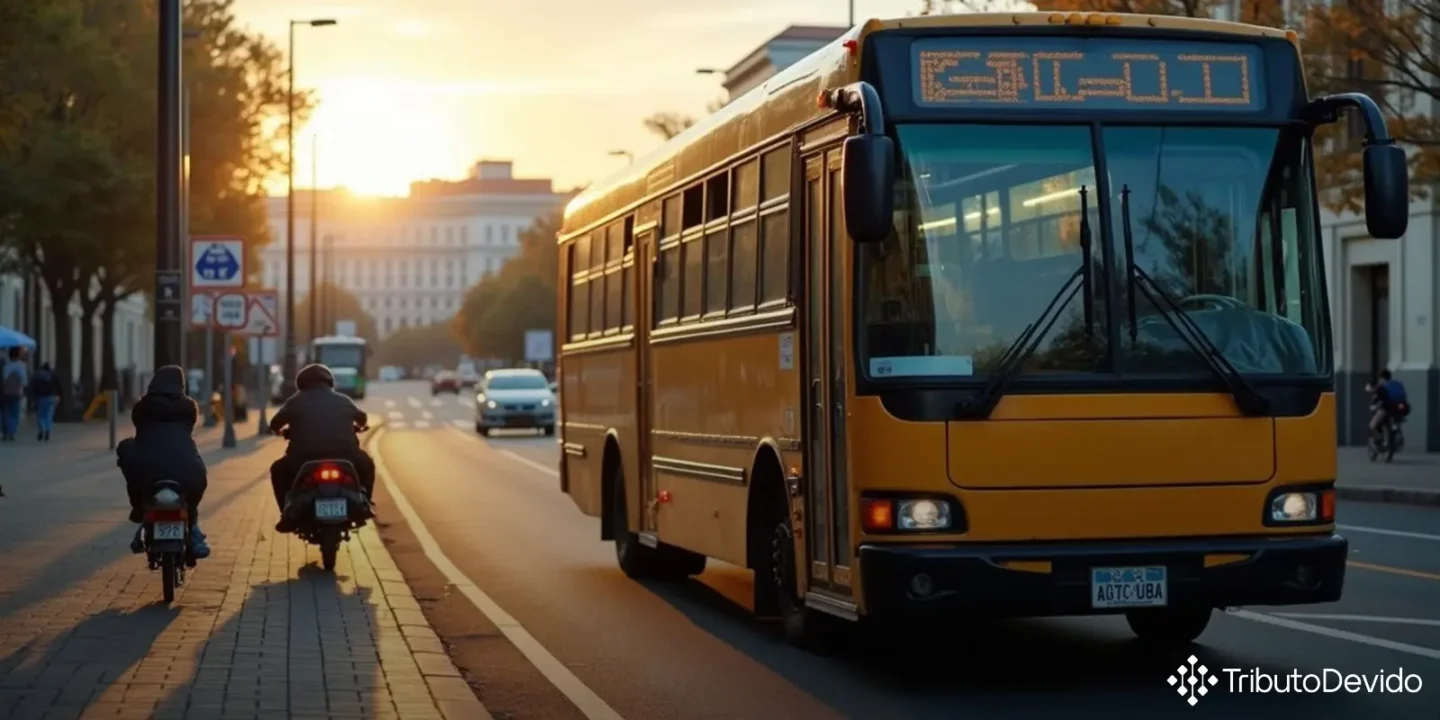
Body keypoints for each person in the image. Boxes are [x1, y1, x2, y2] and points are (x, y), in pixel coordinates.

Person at [116, 366, 210, 558]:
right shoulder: (189, 407)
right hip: (187, 473)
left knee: (126, 447)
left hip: (147, 470)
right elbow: (189, 428)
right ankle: (192, 527)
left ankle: (139, 507)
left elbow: (138, 427)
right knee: (193, 485)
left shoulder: (142, 407)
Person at [268, 363, 374, 533]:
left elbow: (275, 424)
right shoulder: (343, 400)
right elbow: (362, 418)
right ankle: (365, 505)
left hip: (302, 459)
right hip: (347, 457)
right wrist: (358, 427)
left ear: (301, 384)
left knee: (278, 470)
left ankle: (286, 516)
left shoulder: (294, 402)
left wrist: (281, 431)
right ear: (329, 382)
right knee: (367, 464)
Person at [1369, 369, 1410, 441]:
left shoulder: (1382, 387)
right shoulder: (1398, 384)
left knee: (1372, 425)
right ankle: (1397, 430)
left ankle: (1379, 439)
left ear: (1382, 378)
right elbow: (1404, 396)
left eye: (1380, 379)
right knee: (1396, 419)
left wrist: (1373, 406)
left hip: (1388, 407)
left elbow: (1378, 399)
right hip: (1401, 406)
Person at [1, 348, 27, 441]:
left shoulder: (6, 366)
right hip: (16, 393)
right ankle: (12, 432)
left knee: (5, 413)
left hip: (5, 393)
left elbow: (3, 380)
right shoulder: (21, 366)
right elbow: (24, 381)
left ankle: (5, 432)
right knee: (15, 413)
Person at [29, 362, 60, 441]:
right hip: (51, 396)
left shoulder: (36, 375)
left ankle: (42, 429)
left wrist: (33, 398)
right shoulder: (52, 375)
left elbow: (32, 387)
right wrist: (57, 396)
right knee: (49, 415)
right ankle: (47, 430)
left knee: (40, 415)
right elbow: (57, 385)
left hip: (40, 398)